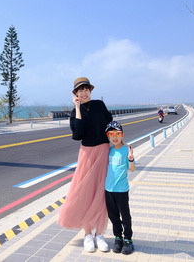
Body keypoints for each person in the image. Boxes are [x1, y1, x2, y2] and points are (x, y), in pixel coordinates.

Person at [57, 77, 113, 253]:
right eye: (80, 90)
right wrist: (77, 107)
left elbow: (110, 124)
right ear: (75, 94)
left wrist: (119, 147)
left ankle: (100, 233)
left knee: (102, 192)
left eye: (86, 89)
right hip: (87, 153)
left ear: (90, 90)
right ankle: (88, 233)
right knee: (86, 191)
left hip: (103, 150)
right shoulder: (76, 112)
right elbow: (78, 134)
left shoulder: (99, 105)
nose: (84, 92)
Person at [104, 120, 136, 255]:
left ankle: (128, 239)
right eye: (111, 134)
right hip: (108, 189)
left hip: (121, 190)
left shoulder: (125, 151)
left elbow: (133, 170)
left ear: (122, 135)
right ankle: (118, 237)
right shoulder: (108, 150)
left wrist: (130, 159)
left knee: (125, 215)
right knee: (113, 215)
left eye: (117, 133)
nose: (114, 137)